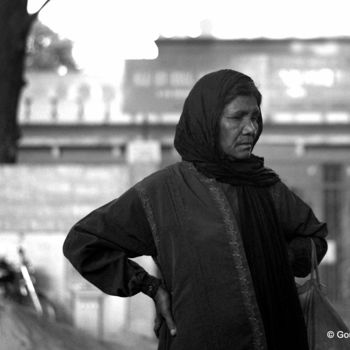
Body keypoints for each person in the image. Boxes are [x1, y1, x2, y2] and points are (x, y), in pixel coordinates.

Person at [63, 69, 328, 350]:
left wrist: (274, 254)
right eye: (237, 118)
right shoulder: (163, 192)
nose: (250, 129)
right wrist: (151, 287)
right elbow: (85, 242)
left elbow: (314, 240)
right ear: (208, 122)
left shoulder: (266, 187)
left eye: (255, 117)